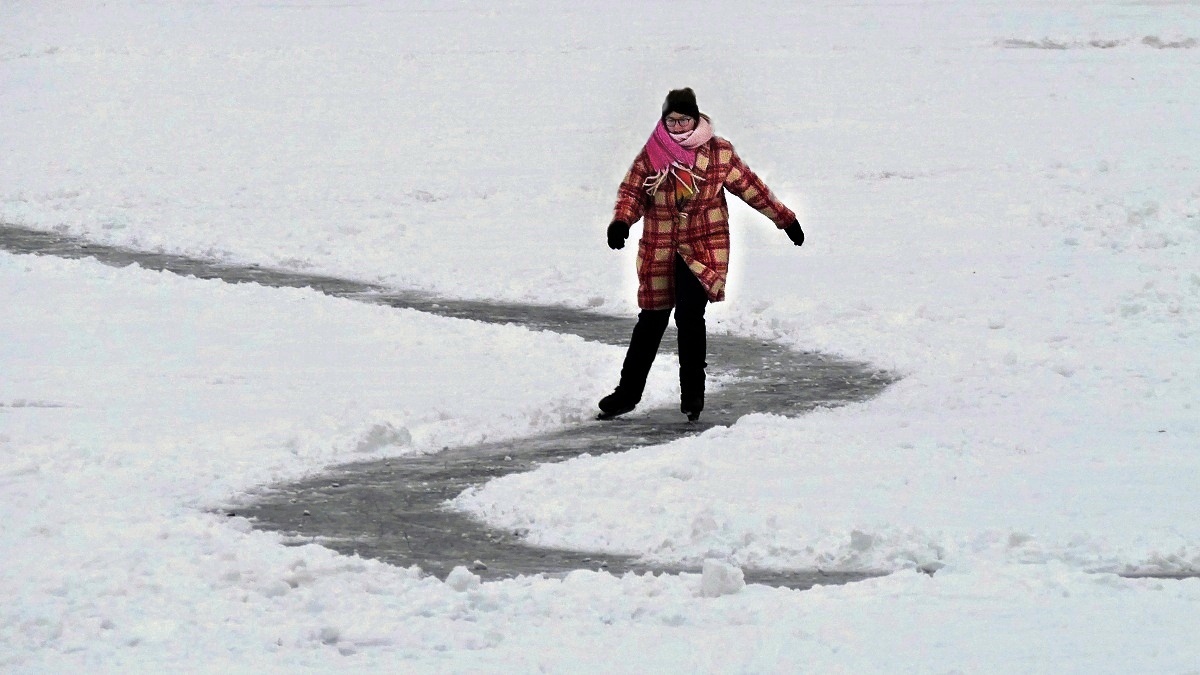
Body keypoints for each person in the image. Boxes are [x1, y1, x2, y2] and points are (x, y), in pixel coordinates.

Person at [598, 87, 805, 422]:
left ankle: (692, 396)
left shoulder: (719, 153)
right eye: (671, 120)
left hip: (703, 246)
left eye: (684, 120)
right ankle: (627, 394)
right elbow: (633, 192)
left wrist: (785, 220)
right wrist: (621, 221)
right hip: (661, 246)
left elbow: (751, 187)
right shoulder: (651, 155)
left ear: (696, 119)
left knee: (689, 315)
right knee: (651, 320)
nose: (677, 126)